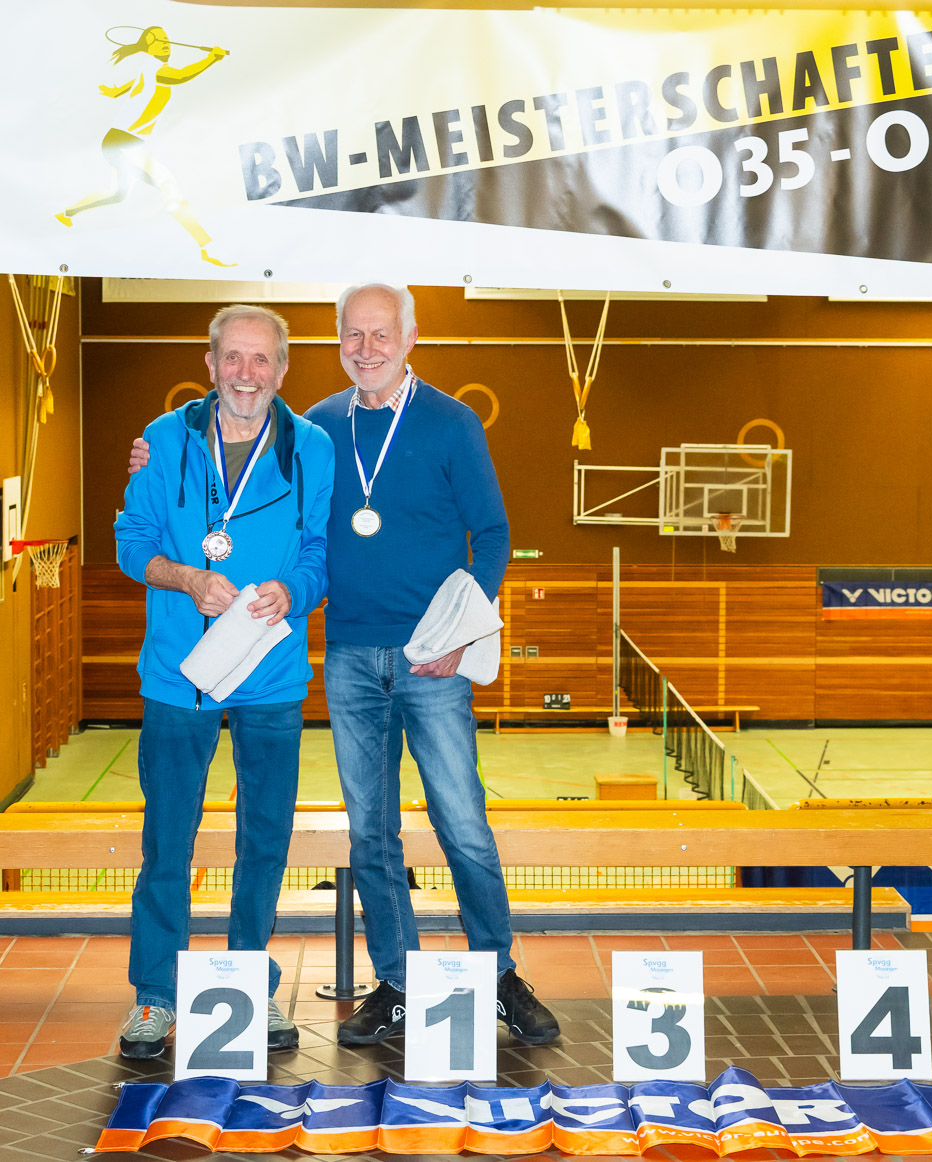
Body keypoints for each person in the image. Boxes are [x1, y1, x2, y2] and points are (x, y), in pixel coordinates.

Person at [128, 286, 559, 1047]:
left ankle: (498, 975)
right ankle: (394, 982)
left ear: (409, 338)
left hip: (422, 660)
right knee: (368, 834)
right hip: (342, 656)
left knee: (461, 824)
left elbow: (484, 535)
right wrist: (160, 489)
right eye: (353, 335)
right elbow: (159, 530)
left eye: (380, 334)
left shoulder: (427, 426)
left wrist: (463, 630)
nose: (367, 349)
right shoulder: (293, 430)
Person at [114, 304, 334, 1058]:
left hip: (271, 675)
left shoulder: (312, 449)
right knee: (166, 841)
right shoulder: (163, 439)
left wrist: (292, 591)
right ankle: (154, 996)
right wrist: (185, 577)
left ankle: (247, 986)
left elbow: (320, 552)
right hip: (178, 680)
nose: (246, 373)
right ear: (209, 365)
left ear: (282, 369)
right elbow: (130, 542)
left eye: (261, 359)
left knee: (264, 840)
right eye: (232, 358)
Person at [57, 26, 233, 266]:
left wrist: (116, 92)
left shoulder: (151, 68)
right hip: (122, 142)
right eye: (156, 40)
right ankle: (208, 248)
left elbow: (137, 81)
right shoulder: (158, 69)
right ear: (147, 48)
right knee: (168, 185)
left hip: (122, 142)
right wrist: (211, 58)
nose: (164, 42)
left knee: (118, 194)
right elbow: (180, 76)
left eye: (166, 38)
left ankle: (66, 213)